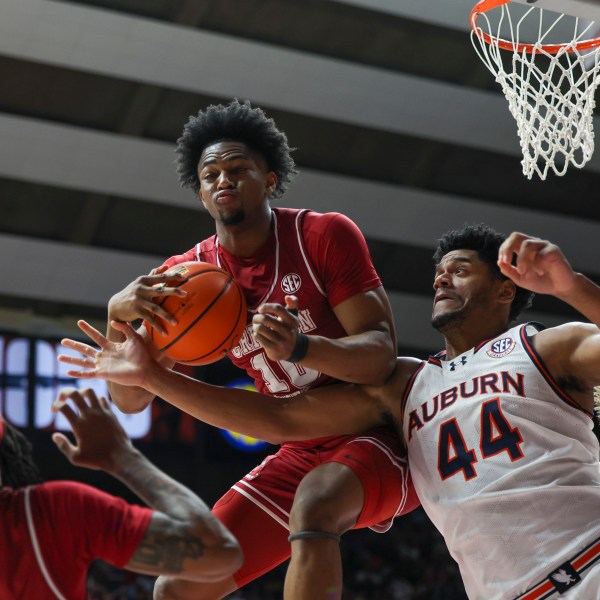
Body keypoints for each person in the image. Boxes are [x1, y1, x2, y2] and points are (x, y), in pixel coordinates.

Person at [61, 225, 600, 599]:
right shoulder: (406, 384)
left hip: (591, 564)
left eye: (458, 271)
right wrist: (155, 376)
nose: (440, 279)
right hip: (510, 593)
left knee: (315, 506)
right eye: (437, 272)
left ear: (506, 288)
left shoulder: (550, 347)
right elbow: (279, 422)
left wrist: (571, 286)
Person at [100, 99, 418, 599]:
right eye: (211, 175)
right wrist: (119, 316)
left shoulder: (322, 235)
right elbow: (130, 399)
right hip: (298, 442)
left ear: (269, 180)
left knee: (314, 507)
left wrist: (304, 347)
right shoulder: (185, 277)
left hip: (379, 429)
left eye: (237, 169)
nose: (222, 180)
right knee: (178, 587)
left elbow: (380, 356)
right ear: (202, 194)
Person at [0, 388, 242, 600]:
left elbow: (220, 554)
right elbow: (219, 552)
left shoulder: (50, 512)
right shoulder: (50, 512)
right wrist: (123, 458)